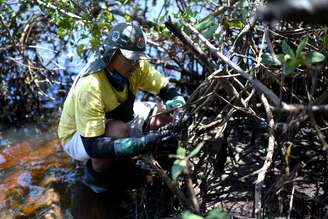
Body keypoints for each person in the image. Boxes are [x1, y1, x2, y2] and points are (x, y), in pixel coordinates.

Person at [58, 22, 185, 193]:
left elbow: (164, 88)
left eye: (138, 58)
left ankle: (161, 166)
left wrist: (178, 104)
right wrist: (138, 145)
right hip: (78, 137)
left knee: (164, 115)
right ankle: (96, 181)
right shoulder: (91, 85)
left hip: (112, 119)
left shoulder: (136, 66)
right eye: (131, 58)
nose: (136, 64)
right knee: (119, 131)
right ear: (113, 53)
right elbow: (93, 145)